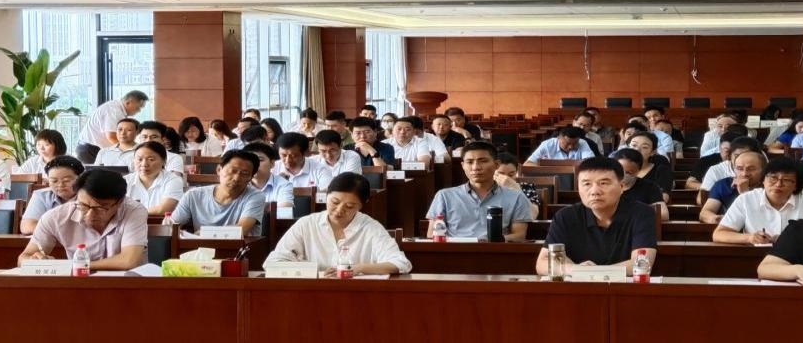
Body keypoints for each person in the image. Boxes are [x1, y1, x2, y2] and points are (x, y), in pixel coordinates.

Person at [265, 173, 412, 276]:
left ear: (362, 205)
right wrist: (313, 271)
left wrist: (357, 268)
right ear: (326, 196)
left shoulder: (371, 228)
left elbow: (401, 263)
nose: (339, 210)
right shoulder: (306, 224)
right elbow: (273, 262)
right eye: (334, 202)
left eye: (349, 206)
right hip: (312, 292)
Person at [535, 157, 658, 275]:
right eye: (587, 184)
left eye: (603, 183)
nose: (594, 191)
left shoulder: (642, 213)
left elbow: (641, 265)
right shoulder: (565, 216)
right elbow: (542, 263)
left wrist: (592, 272)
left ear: (621, 187)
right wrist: (574, 269)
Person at [19, 169, 148, 271]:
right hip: (79, 284)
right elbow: (23, 258)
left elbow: (128, 261)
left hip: (127, 285)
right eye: (83, 206)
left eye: (100, 208)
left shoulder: (134, 211)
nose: (90, 215)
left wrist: (78, 265)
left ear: (120, 202)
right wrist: (34, 261)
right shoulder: (56, 217)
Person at [425, 142, 531, 242]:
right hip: (454, 251)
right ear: (463, 165)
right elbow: (432, 234)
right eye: (469, 162)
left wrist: (487, 242)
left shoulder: (516, 197)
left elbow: (519, 235)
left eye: (483, 161)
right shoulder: (444, 196)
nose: (476, 167)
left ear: (496, 164)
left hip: (495, 251)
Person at [713, 157, 803, 245]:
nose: (778, 184)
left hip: (797, 258)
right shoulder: (746, 199)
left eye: (786, 180)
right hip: (755, 256)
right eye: (773, 178)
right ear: (763, 180)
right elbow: (719, 234)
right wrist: (750, 238)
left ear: (796, 185)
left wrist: (791, 239)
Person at [169, 150, 266, 236]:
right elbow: (172, 226)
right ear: (219, 170)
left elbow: (242, 230)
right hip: (200, 249)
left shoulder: (255, 196)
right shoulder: (193, 196)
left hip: (239, 249)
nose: (236, 178)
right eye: (232, 171)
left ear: (251, 177)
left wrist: (205, 233)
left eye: (245, 174)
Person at [75, 90, 147, 164]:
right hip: (90, 150)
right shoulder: (114, 111)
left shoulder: (116, 108)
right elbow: (111, 137)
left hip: (92, 148)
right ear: (129, 102)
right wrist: (129, 150)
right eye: (138, 107)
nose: (139, 111)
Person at [20, 156, 85, 235]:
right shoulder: (41, 196)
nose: (60, 185)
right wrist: (60, 234)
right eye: (54, 181)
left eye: (66, 180)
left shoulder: (90, 197)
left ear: (81, 179)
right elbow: (27, 226)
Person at [699, 149, 767, 223]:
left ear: (763, 170)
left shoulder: (769, 187)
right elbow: (705, 213)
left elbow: (761, 218)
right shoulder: (724, 184)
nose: (744, 174)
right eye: (739, 169)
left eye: (751, 169)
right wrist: (714, 218)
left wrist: (744, 193)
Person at [123, 141, 184, 215]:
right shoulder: (124, 181)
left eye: (151, 159)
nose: (144, 164)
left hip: (161, 222)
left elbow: (163, 209)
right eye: (140, 159)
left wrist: (131, 213)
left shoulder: (173, 180)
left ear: (164, 161)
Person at [613, 148, 669, 221]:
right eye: (620, 170)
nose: (623, 175)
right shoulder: (604, 186)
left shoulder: (649, 187)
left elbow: (664, 214)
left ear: (638, 171)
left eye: (629, 172)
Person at [494, 152, 541, 219]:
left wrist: (517, 189)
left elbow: (533, 215)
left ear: (516, 172)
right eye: (501, 174)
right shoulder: (486, 188)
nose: (506, 179)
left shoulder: (525, 187)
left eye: (511, 175)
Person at [525, 126, 595, 166]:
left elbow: (591, 163)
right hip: (551, 176)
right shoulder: (547, 144)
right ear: (558, 138)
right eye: (567, 143)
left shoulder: (582, 143)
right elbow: (528, 164)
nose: (571, 147)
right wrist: (545, 169)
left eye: (575, 144)